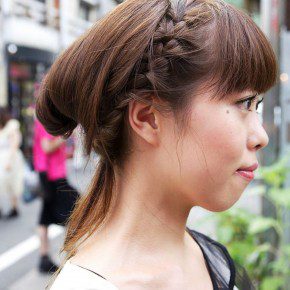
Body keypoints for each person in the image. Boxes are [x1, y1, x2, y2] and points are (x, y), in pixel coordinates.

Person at [36, 0, 277, 289]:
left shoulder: (213, 260)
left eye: (257, 105)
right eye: (244, 103)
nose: (261, 136)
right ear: (148, 118)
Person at [33, 119, 79, 273]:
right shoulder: (47, 121)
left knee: (45, 217)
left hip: (49, 175)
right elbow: (47, 147)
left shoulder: (43, 119)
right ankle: (72, 257)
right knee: (77, 209)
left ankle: (44, 258)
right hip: (53, 177)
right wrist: (65, 136)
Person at [0, 107, 24, 218]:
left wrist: (9, 161)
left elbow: (15, 143)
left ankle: (14, 207)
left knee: (13, 183)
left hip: (11, 160)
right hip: (2, 160)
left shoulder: (11, 126)